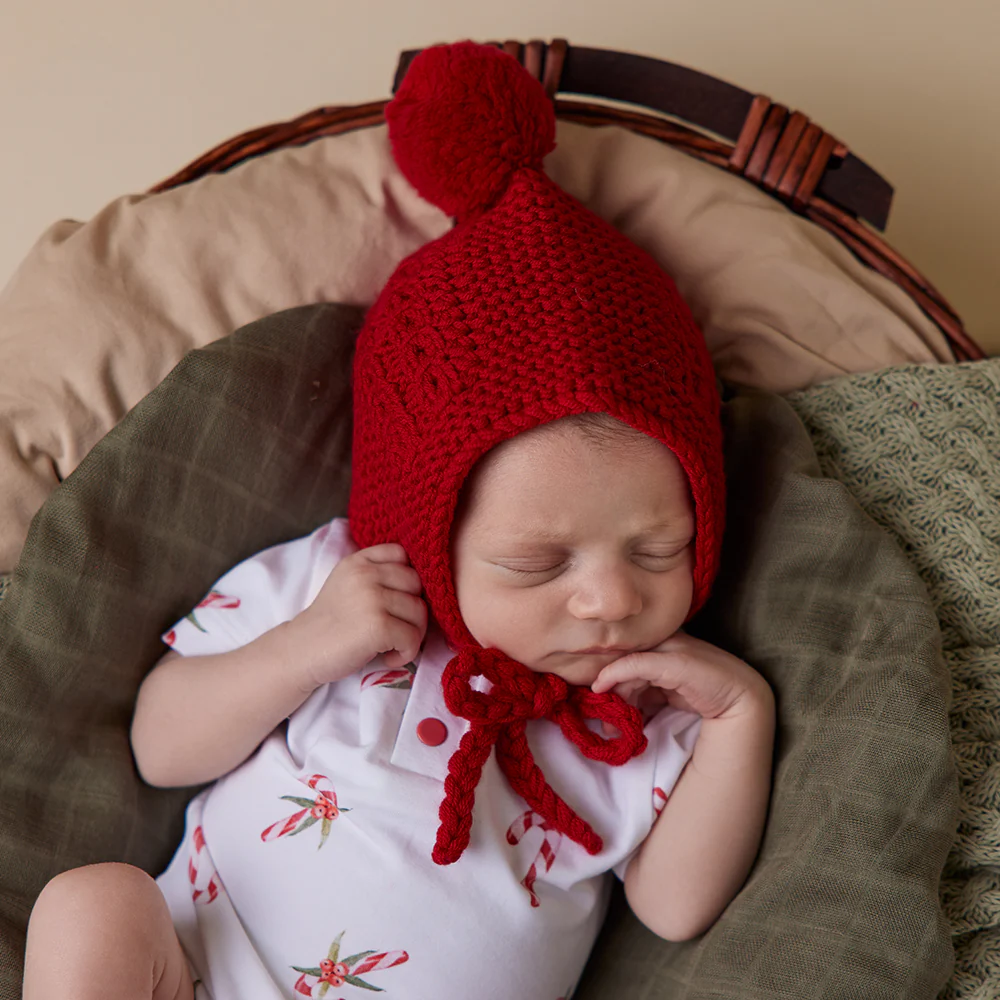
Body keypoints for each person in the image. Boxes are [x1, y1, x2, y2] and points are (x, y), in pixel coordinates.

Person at [21, 41, 774, 1000]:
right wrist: (307, 647)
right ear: (426, 533)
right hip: (200, 974)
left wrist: (739, 718)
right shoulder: (340, 590)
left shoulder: (638, 713)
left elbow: (675, 907)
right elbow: (160, 747)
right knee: (90, 904)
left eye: (658, 548)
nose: (610, 597)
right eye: (539, 563)